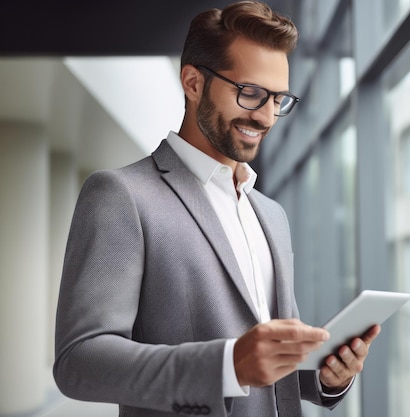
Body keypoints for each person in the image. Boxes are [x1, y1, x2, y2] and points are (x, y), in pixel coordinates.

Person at [53, 1, 381, 416]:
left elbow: (272, 362)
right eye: (250, 93)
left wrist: (326, 375)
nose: (265, 116)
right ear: (192, 82)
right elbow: (79, 362)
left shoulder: (271, 214)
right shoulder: (122, 196)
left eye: (278, 98)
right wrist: (226, 365)